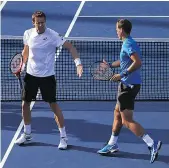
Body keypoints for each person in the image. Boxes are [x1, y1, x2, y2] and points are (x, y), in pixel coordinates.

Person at [15, 11, 83, 150]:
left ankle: (63, 137)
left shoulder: (52, 35)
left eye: (42, 22)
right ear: (33, 22)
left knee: (53, 106)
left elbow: (70, 47)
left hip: (47, 77)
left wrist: (78, 63)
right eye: (38, 23)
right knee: (25, 104)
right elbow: (26, 51)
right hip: (31, 76)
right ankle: (27, 134)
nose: (40, 25)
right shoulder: (28, 33)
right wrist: (22, 64)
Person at [97, 19, 162, 163]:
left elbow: (137, 62)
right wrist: (110, 65)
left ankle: (152, 144)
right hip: (130, 84)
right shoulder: (129, 42)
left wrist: (122, 74)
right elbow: (125, 60)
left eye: (117, 29)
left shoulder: (128, 43)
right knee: (117, 113)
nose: (116, 32)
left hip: (127, 86)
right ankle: (112, 143)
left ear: (122, 30)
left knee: (127, 120)